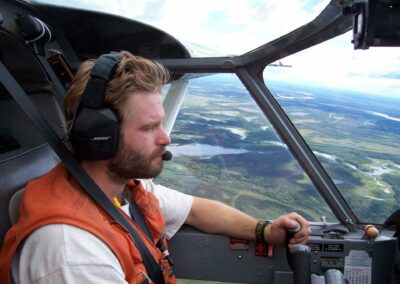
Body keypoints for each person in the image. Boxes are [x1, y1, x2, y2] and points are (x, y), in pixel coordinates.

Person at [0, 51, 310, 284]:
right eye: (149, 127)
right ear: (100, 137)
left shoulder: (124, 190)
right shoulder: (70, 253)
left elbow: (196, 210)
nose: (166, 137)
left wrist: (265, 231)